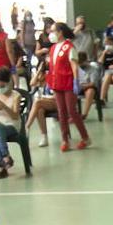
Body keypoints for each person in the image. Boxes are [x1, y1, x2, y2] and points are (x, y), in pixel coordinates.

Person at [46, 22, 92, 153]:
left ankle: (85, 137)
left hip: (68, 83)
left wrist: (76, 81)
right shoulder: (53, 48)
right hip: (57, 83)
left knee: (72, 111)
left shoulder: (69, 47)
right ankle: (65, 139)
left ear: (60, 32)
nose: (51, 34)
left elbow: (73, 65)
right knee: (61, 112)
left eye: (53, 31)